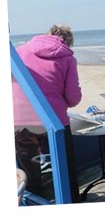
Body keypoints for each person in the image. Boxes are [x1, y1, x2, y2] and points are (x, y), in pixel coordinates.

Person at [11, 25, 82, 203]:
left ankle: (36, 204)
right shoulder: (67, 57)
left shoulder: (19, 51)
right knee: (65, 171)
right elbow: (73, 98)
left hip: (20, 122)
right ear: (68, 42)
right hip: (53, 121)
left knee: (30, 174)